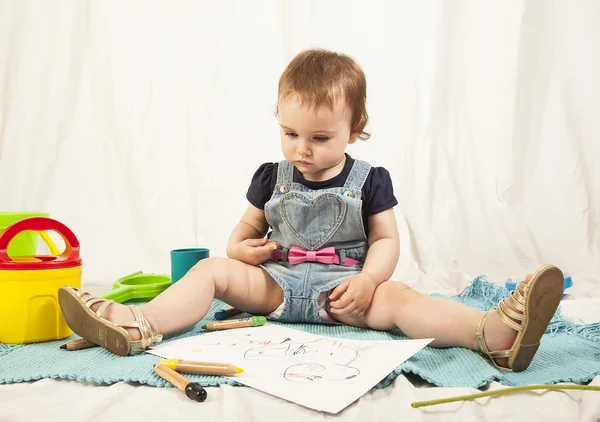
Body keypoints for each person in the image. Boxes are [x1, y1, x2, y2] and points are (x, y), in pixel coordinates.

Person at [58, 48, 564, 372]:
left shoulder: (370, 181)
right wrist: (240, 250)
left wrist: (369, 282)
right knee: (213, 268)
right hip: (276, 285)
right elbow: (244, 229)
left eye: (320, 138)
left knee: (404, 299)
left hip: (347, 292)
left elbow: (387, 240)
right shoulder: (269, 177)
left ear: (356, 126)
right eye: (290, 133)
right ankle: (137, 324)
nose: (302, 148)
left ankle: (491, 334)